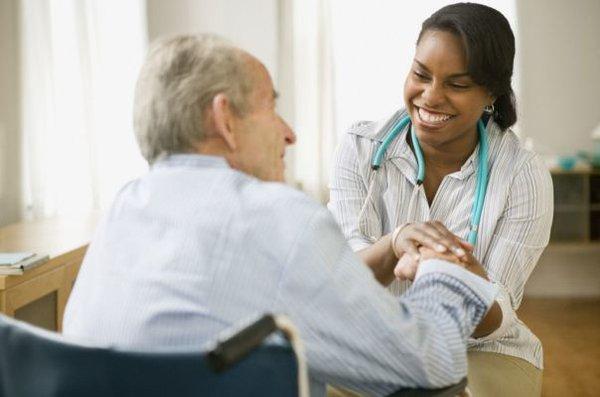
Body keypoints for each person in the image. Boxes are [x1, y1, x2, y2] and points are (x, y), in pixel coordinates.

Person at [62, 34, 499, 396]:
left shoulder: (124, 208)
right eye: (271, 106)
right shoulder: (279, 217)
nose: (289, 133)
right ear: (224, 120)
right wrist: (445, 270)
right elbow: (429, 365)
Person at [328, 3, 553, 396]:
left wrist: (455, 276)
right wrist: (396, 243)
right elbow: (343, 284)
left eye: (457, 84)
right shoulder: (361, 148)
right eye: (421, 74)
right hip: (375, 341)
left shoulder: (522, 172)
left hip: (484, 350)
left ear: (491, 93)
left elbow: (496, 318)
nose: (430, 97)